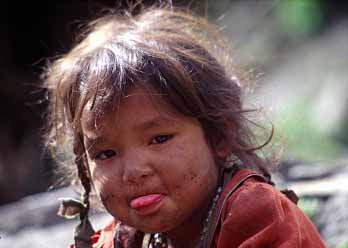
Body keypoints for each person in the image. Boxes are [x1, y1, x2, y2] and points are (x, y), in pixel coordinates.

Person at [43, 4, 326, 248]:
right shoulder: (127, 237)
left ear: (218, 135)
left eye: (159, 138)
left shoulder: (255, 213)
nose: (134, 172)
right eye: (106, 154)